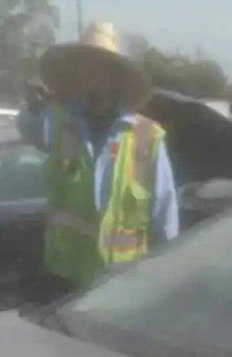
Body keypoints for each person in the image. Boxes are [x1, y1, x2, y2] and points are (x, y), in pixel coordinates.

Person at [17, 20, 178, 292]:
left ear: (117, 76)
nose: (94, 75)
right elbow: (27, 126)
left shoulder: (147, 136)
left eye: (103, 66)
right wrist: (35, 104)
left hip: (127, 282)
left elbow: (164, 214)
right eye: (87, 65)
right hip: (65, 279)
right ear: (76, 73)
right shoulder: (56, 119)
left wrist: (166, 277)